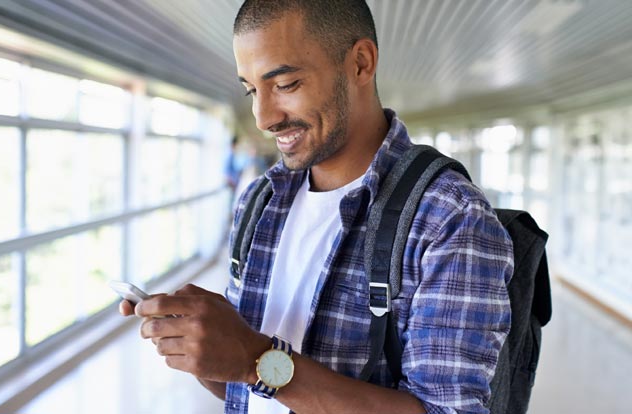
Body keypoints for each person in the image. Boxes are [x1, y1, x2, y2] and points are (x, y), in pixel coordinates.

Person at [119, 1, 513, 413]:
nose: (263, 117)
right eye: (252, 90)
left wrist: (256, 361)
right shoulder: (260, 202)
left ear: (360, 63)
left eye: (286, 84)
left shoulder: (448, 219)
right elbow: (246, 390)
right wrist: (205, 346)